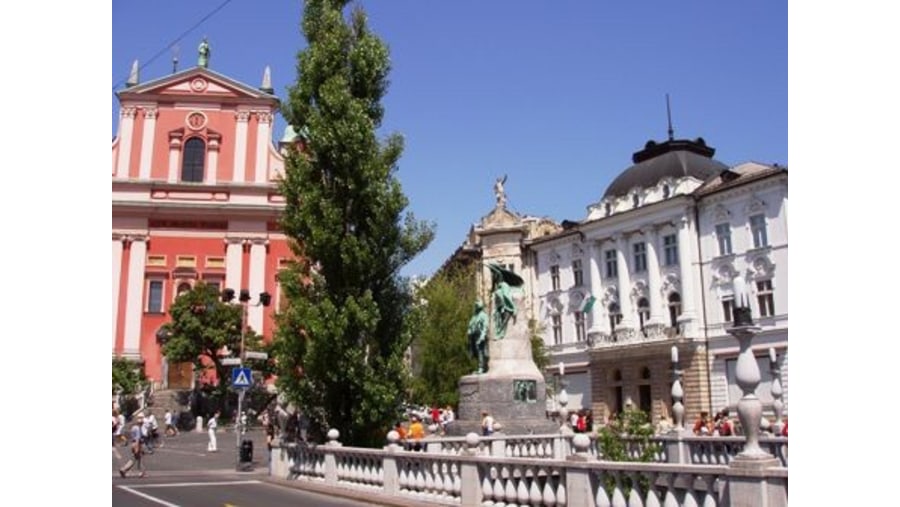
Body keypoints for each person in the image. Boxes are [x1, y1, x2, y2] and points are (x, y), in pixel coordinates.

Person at [467, 301, 489, 373]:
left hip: (480, 336)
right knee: (475, 352)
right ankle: (481, 367)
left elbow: (485, 326)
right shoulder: (475, 316)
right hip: (473, 336)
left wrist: (482, 336)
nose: (476, 307)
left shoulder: (483, 315)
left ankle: (481, 367)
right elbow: (471, 325)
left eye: (477, 305)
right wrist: (469, 331)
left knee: (480, 352)